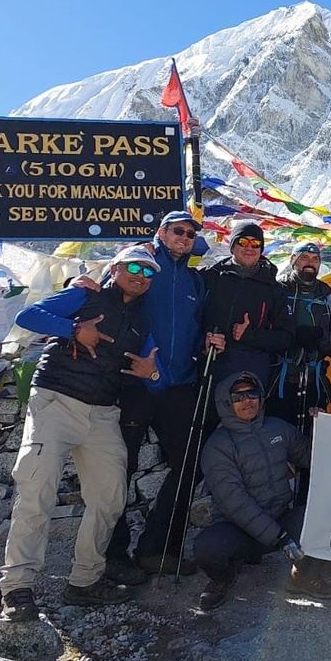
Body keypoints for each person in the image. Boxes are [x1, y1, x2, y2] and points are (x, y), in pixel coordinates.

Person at [0, 246, 161, 620]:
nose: (141, 275)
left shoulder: (141, 319)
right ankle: (17, 587)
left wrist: (150, 374)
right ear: (115, 267)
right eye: (134, 266)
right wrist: (74, 329)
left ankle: (85, 581)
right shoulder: (85, 294)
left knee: (110, 496)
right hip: (56, 401)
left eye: (149, 272)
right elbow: (29, 315)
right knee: (37, 490)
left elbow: (152, 365)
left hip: (103, 411)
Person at [107, 210, 209, 580]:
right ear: (161, 233)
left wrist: (208, 343)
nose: (184, 238)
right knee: (121, 467)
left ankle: (158, 549)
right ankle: (112, 554)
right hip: (135, 383)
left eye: (190, 233)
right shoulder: (140, 263)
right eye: (178, 231)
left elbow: (194, 327)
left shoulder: (194, 280)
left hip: (178, 384)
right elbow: (110, 301)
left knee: (189, 463)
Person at [191, 372, 331, 610]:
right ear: (226, 402)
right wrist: (278, 537)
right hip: (238, 528)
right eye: (238, 397)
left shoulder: (278, 428)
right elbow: (234, 503)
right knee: (207, 548)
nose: (247, 401)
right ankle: (223, 579)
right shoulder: (217, 446)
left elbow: (313, 458)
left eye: (252, 394)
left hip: (280, 516)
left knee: (323, 518)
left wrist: (323, 427)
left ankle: (302, 575)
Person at [202, 220, 293, 389]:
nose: (249, 248)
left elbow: (285, 338)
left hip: (251, 374)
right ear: (233, 246)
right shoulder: (211, 278)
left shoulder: (274, 289)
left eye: (256, 243)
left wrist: (250, 335)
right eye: (243, 242)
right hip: (210, 366)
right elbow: (190, 320)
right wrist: (204, 341)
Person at [270, 242, 331, 432]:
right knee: (277, 435)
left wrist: (321, 337)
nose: (310, 263)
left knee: (311, 439)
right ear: (293, 260)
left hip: (314, 382)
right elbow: (264, 333)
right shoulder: (277, 292)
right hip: (278, 380)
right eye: (304, 257)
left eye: (315, 259)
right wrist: (290, 337)